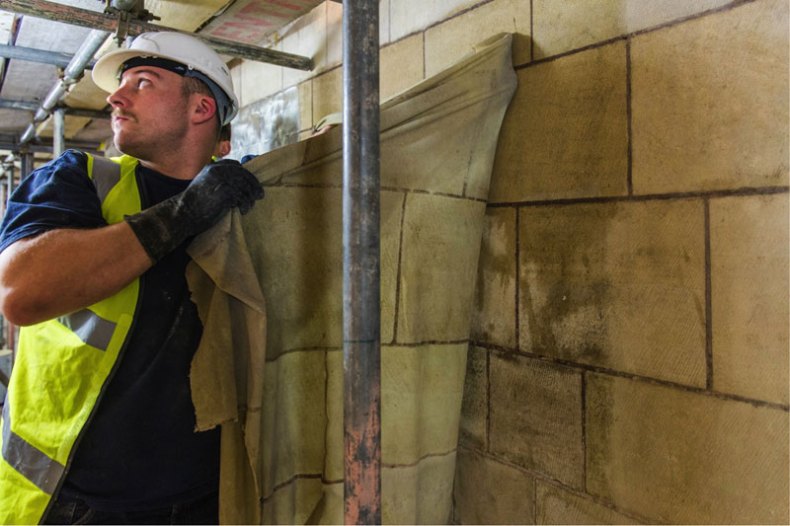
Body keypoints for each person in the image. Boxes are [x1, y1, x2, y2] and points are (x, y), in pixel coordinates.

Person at [0, 31, 264, 525]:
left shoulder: (244, 201)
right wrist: (186, 211)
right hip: (75, 504)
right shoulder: (80, 178)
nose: (114, 97)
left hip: (208, 501)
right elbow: (23, 291)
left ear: (201, 108)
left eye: (141, 82)